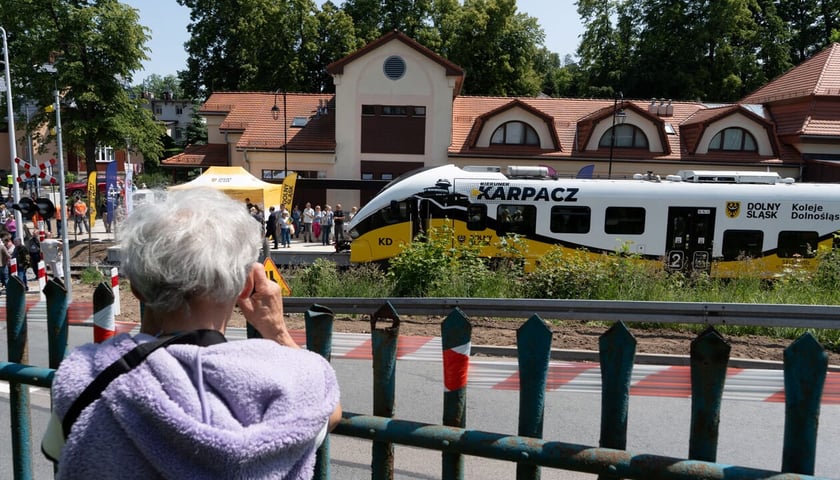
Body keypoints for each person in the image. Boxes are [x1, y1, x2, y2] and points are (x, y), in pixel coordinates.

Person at [42, 187, 341, 479]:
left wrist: (148, 327)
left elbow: (59, 449)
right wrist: (277, 331)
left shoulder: (87, 376)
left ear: (137, 289)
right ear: (248, 285)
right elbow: (331, 410)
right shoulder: (294, 380)